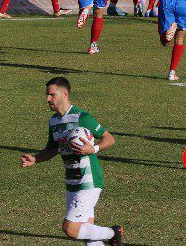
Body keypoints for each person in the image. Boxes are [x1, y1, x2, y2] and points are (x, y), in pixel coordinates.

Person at [19, 77, 124, 246]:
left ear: (65, 94)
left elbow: (109, 139)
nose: (48, 99)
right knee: (86, 231)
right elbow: (52, 149)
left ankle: (113, 233)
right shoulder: (53, 121)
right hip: (71, 180)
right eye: (47, 95)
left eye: (52, 95)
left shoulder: (82, 117)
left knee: (70, 228)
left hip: (88, 179)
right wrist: (36, 159)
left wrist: (94, 149)